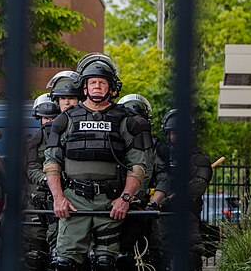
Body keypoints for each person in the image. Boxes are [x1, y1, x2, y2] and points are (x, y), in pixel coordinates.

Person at [43, 53, 152, 271]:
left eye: (102, 82)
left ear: (111, 88)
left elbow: (138, 165)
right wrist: (58, 199)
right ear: (84, 87)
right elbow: (51, 162)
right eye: (92, 82)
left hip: (110, 202)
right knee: (65, 263)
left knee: (106, 263)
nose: (97, 87)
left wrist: (125, 199)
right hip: (74, 201)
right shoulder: (65, 120)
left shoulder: (126, 121)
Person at [116, 94, 168, 270]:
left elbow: (163, 178)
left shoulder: (156, 147)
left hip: (142, 209)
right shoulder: (112, 141)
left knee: (153, 252)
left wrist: (153, 204)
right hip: (112, 205)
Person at [158, 109, 213, 271]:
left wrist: (172, 199)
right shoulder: (159, 157)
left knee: (191, 256)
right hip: (160, 217)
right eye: (174, 132)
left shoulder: (198, 158)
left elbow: (198, 186)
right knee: (157, 255)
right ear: (167, 134)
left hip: (186, 215)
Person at [23, 93, 61, 271]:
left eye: (53, 117)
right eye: (46, 117)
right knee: (35, 253)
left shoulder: (67, 138)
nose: (49, 122)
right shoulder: (32, 142)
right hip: (37, 201)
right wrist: (45, 179)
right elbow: (30, 169)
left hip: (64, 201)